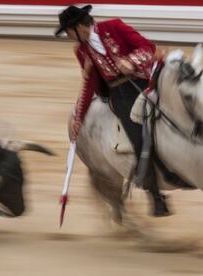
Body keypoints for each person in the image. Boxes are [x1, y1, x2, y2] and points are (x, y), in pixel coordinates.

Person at [55, 4, 170, 217]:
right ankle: (155, 196)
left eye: (69, 31)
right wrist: (79, 117)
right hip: (121, 94)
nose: (69, 36)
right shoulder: (81, 51)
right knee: (137, 137)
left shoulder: (114, 27)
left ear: (80, 26)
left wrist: (131, 61)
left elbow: (147, 48)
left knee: (189, 96)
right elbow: (91, 85)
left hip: (146, 79)